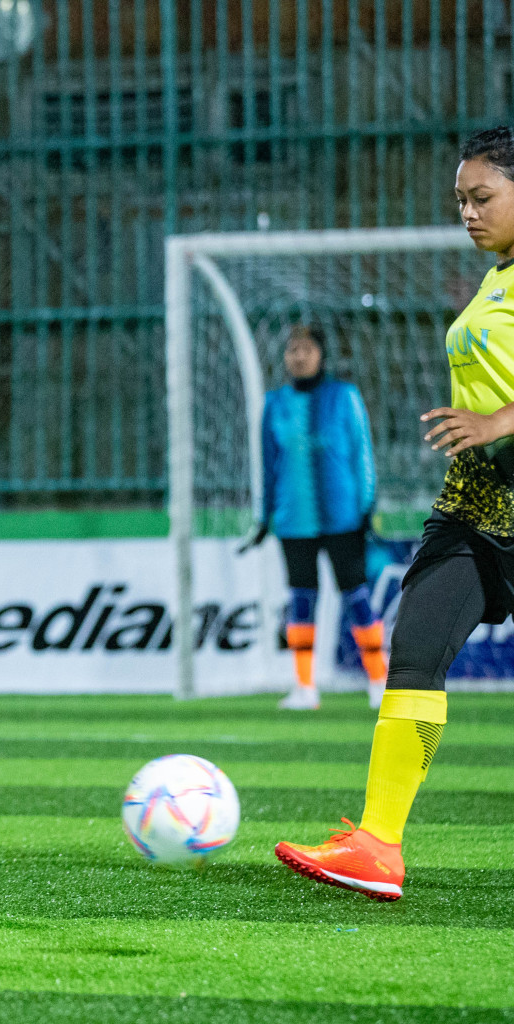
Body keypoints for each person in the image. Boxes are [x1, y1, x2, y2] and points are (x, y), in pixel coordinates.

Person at [273, 126, 514, 901]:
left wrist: (492, 423)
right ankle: (378, 844)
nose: (467, 214)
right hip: (478, 500)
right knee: (414, 651)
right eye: (460, 201)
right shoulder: (494, 278)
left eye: (482, 198)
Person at [246, 324, 386, 710]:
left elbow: (362, 453)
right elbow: (267, 465)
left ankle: (379, 680)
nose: (299, 356)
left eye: (306, 349)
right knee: (301, 599)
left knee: (356, 595)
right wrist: (264, 517)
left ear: (322, 355)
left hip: (343, 516)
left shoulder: (345, 397)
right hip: (294, 520)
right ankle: (305, 687)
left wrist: (367, 506)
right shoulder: (274, 404)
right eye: (292, 349)